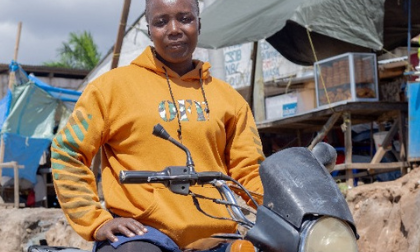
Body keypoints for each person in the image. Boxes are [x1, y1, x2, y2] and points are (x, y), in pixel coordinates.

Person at [50, 0, 265, 251]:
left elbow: (249, 171)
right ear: (149, 30)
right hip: (143, 235)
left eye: (185, 18)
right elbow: (67, 153)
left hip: (219, 237)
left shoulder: (229, 99)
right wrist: (96, 221)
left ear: (199, 23)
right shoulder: (110, 89)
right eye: (161, 22)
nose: (174, 29)